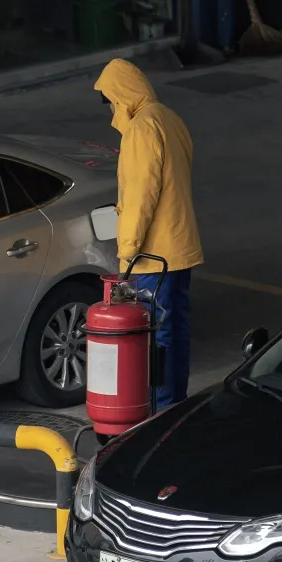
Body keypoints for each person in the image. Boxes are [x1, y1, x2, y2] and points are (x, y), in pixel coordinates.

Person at [95, 57, 203, 409]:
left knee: (157, 338)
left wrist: (128, 254)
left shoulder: (142, 129)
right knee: (175, 333)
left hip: (153, 258)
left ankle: (162, 410)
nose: (110, 109)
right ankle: (176, 405)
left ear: (123, 95)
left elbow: (141, 197)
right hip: (180, 248)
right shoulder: (170, 118)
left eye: (110, 100)